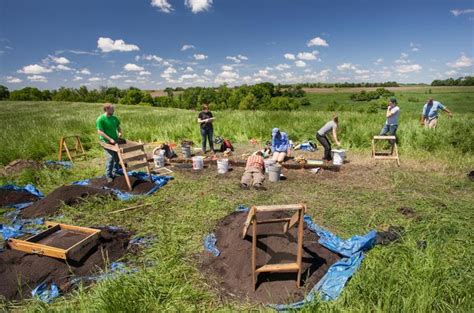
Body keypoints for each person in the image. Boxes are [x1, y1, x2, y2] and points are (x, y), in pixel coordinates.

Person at [96, 103, 123, 182]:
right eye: (112, 109)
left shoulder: (114, 118)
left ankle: (115, 172)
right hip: (106, 141)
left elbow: (118, 127)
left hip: (115, 141)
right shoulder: (100, 119)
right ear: (106, 109)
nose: (113, 110)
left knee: (117, 158)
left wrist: (120, 132)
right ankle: (108, 175)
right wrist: (109, 139)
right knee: (111, 158)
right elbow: (100, 131)